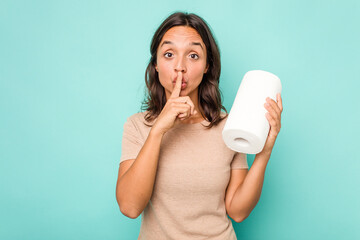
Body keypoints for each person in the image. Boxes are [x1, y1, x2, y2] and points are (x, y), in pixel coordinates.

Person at [116, 11, 283, 240]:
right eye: (168, 54)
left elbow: (238, 210)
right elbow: (129, 207)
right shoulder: (137, 126)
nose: (180, 67)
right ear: (155, 64)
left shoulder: (228, 126)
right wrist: (158, 131)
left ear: (207, 66)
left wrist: (264, 152)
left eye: (193, 55)